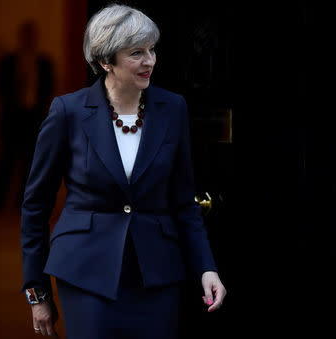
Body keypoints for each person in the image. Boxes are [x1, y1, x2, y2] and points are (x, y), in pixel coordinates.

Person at [20, 4, 226, 338]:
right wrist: (36, 293)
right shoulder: (67, 112)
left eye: (151, 50)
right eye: (136, 53)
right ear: (105, 61)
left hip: (157, 275)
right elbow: (35, 206)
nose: (150, 61)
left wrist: (207, 267)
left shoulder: (172, 108)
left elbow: (183, 202)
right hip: (85, 275)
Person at [0, 20, 54, 211]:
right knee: (7, 161)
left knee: (30, 163)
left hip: (34, 118)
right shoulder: (8, 62)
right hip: (12, 117)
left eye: (32, 35)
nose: (29, 39)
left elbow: (48, 89)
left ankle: (22, 204)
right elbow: (0, 88)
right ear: (20, 37)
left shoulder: (44, 63)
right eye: (26, 35)